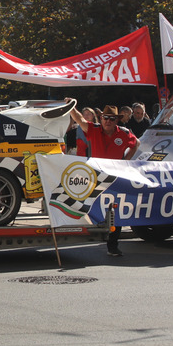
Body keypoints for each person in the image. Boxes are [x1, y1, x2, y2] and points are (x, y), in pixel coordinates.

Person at [68, 102, 138, 257]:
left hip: (114, 178)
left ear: (116, 120)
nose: (108, 121)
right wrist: (72, 107)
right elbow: (80, 120)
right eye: (105, 118)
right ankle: (94, 234)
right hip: (96, 176)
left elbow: (136, 144)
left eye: (112, 119)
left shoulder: (124, 133)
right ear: (101, 118)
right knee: (93, 207)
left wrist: (125, 161)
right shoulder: (93, 130)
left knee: (114, 212)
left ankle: (112, 245)